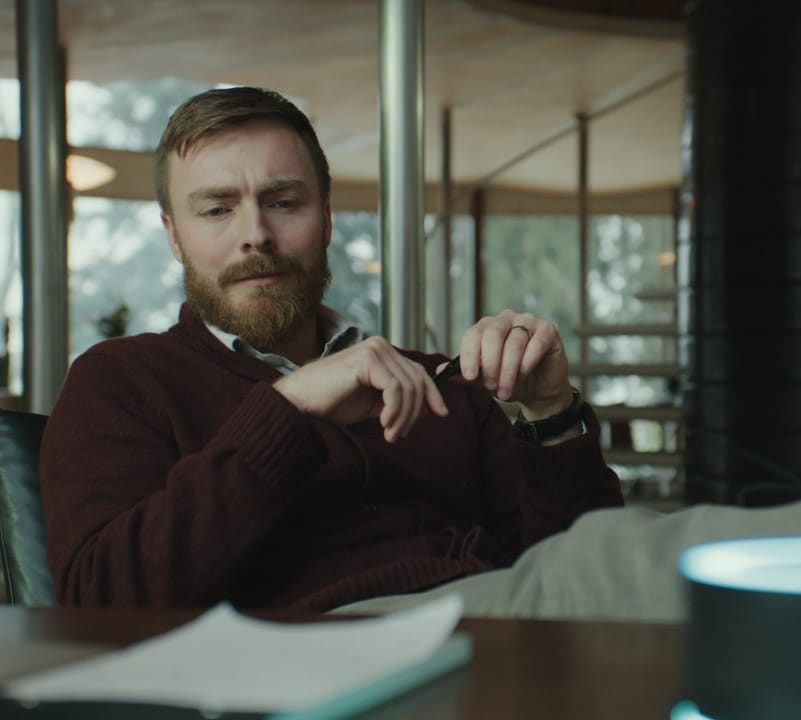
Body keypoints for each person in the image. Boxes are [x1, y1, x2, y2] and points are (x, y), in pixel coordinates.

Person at [38, 86, 624, 610]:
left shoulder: (439, 383)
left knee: (665, 554)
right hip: (324, 652)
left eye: (284, 202)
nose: (256, 235)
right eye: (217, 209)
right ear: (174, 235)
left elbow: (582, 576)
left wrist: (551, 416)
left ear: (327, 220)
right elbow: (100, 599)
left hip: (499, 630)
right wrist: (289, 410)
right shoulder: (121, 380)